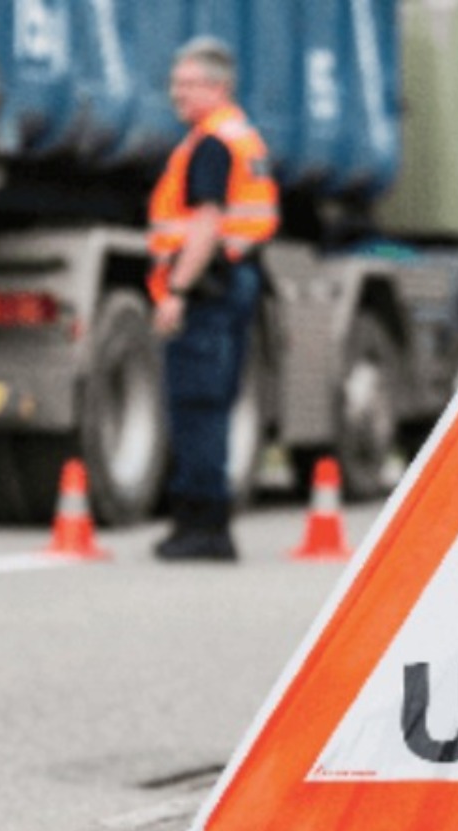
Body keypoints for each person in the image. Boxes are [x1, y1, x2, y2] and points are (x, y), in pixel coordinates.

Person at [147, 36, 279, 561]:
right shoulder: (238, 136)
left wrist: (177, 289)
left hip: (209, 288)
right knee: (212, 403)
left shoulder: (212, 142)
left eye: (187, 84)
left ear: (218, 87)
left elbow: (206, 221)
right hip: (234, 281)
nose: (175, 93)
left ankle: (203, 528)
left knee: (197, 405)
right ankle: (205, 524)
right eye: (174, 83)